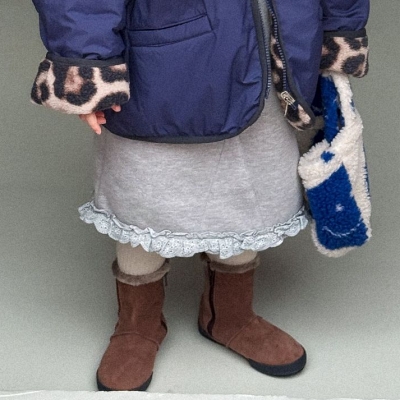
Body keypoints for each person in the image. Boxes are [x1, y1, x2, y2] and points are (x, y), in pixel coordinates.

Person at [30, 0, 369, 392]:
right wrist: (84, 61)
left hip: (279, 57)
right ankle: (138, 324)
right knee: (145, 197)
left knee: (250, 192)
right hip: (160, 67)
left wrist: (339, 27)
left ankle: (230, 315)